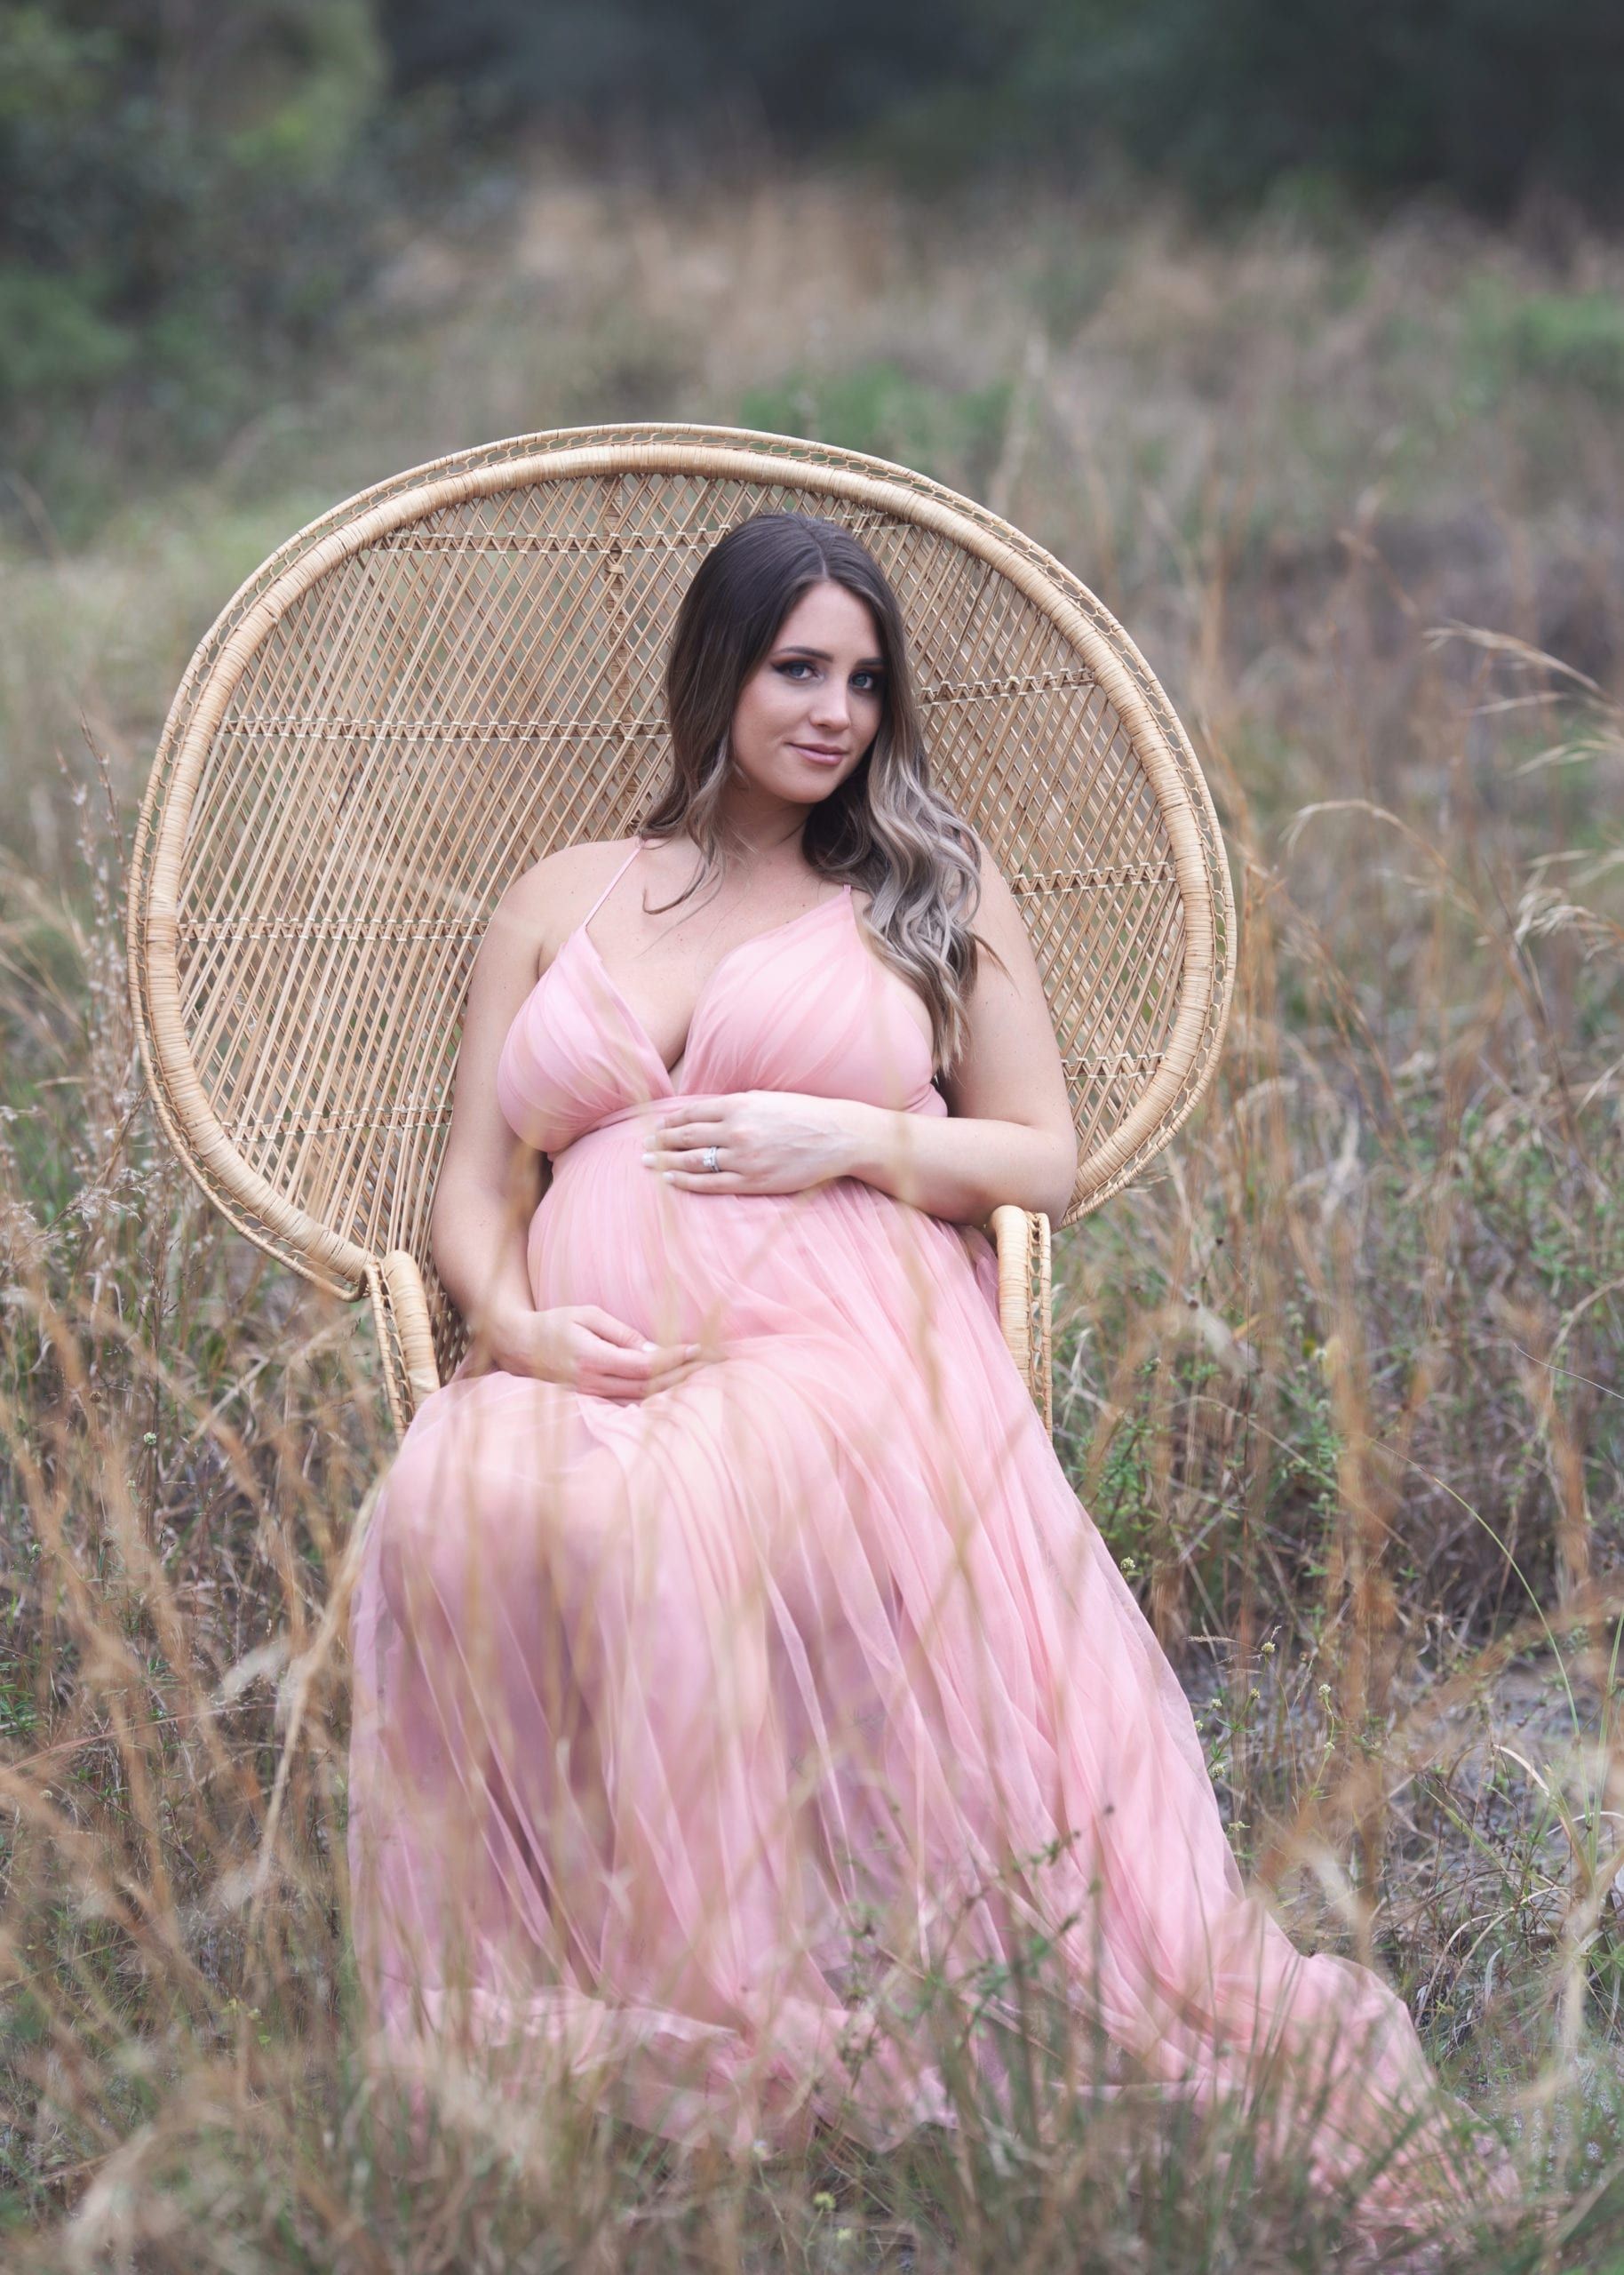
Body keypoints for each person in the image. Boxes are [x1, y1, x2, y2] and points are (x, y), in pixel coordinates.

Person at [346, 511, 1517, 2245]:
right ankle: (639, 2009)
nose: (832, 708)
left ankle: (763, 2034)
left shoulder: (922, 889)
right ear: (717, 671)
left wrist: (862, 1129)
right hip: (578, 1359)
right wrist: (510, 1324)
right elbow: (472, 1176)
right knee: (457, 1491)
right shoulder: (559, 890)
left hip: (839, 1355)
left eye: (864, 678)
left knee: (689, 1500)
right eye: (795, 666)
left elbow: (1039, 1155)